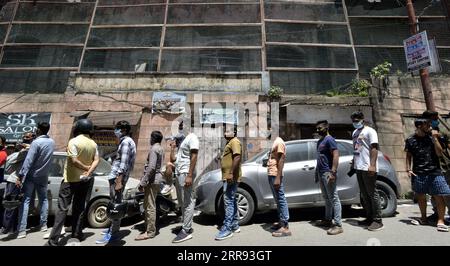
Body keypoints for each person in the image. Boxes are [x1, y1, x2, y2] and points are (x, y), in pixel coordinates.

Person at [46, 119, 99, 246]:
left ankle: (53, 241)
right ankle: (77, 234)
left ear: (78, 128)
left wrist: (86, 169)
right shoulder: (93, 144)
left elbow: (74, 161)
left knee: (62, 209)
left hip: (70, 180)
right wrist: (89, 171)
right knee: (79, 208)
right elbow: (97, 160)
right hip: (85, 181)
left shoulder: (73, 141)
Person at [405, 117, 450, 232]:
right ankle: (423, 218)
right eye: (427, 125)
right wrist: (407, 169)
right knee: (420, 195)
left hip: (435, 171)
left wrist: (435, 139)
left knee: (439, 195)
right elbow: (409, 155)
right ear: (420, 126)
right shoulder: (410, 140)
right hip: (418, 172)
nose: (430, 127)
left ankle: (441, 220)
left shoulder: (433, 137)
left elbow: (439, 153)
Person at [96, 120, 136, 244]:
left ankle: (113, 234)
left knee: (115, 206)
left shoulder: (125, 142)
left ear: (123, 130)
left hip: (118, 177)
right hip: (118, 177)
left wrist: (119, 181)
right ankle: (111, 230)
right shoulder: (127, 141)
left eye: (117, 129)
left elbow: (123, 163)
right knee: (114, 203)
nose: (116, 131)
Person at [16, 122, 55, 239]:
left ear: (38, 130)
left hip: (32, 175)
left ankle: (22, 230)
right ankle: (43, 225)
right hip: (43, 175)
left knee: (26, 200)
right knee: (43, 200)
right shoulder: (52, 142)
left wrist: (21, 175)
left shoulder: (36, 142)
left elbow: (28, 160)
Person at [350, 111, 383, 231]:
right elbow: (357, 148)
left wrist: (372, 165)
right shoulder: (355, 132)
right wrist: (354, 161)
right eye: (353, 120)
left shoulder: (370, 131)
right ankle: (369, 217)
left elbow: (374, 148)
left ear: (363, 119)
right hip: (359, 167)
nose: (355, 122)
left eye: (357, 120)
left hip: (368, 167)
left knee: (372, 193)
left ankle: (378, 220)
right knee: (364, 194)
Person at [171, 119, 199, 243]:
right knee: (182, 201)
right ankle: (185, 225)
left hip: (185, 173)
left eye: (182, 126)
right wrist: (172, 147)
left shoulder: (192, 137)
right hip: (179, 173)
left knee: (188, 201)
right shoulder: (183, 141)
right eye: (180, 126)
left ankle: (186, 230)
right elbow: (173, 159)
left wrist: (189, 175)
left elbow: (194, 156)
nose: (180, 128)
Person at [1, 132, 34, 235]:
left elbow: (10, 160)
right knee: (12, 204)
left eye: (28, 137)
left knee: (11, 205)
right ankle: (9, 228)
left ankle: (8, 228)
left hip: (17, 180)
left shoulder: (28, 150)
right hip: (15, 179)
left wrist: (24, 147)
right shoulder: (22, 151)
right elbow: (9, 161)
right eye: (24, 137)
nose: (25, 139)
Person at [314, 120, 343, 235]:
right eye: (316, 128)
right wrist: (316, 173)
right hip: (321, 173)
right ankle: (327, 220)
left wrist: (333, 172)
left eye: (320, 128)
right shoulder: (320, 141)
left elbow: (336, 155)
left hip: (328, 173)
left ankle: (338, 224)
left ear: (326, 128)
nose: (317, 130)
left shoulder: (330, 139)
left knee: (334, 198)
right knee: (327, 198)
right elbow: (319, 157)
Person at [135, 131, 164, 241]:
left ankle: (150, 231)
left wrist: (143, 182)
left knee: (150, 206)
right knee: (148, 204)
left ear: (153, 138)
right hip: (156, 180)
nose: (149, 139)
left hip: (152, 181)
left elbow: (151, 167)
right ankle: (148, 227)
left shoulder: (153, 149)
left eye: (150, 137)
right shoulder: (160, 148)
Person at [422, 111, 450, 222]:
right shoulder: (423, 134)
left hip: (444, 166)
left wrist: (437, 138)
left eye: (436, 119)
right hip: (430, 166)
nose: (435, 121)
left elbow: (443, 150)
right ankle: (437, 213)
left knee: (446, 192)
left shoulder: (443, 132)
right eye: (432, 119)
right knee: (433, 192)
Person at [215, 125, 242, 241]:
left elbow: (237, 157)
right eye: (224, 131)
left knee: (228, 201)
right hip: (229, 177)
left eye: (228, 131)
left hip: (230, 177)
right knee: (232, 200)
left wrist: (230, 173)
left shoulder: (235, 141)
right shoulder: (230, 142)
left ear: (234, 132)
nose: (225, 133)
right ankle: (235, 224)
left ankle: (228, 228)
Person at [267, 132, 291, 237]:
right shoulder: (274, 142)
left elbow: (281, 159)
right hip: (271, 173)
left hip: (275, 174)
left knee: (281, 199)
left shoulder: (279, 142)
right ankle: (281, 221)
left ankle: (285, 227)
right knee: (277, 199)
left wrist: (278, 177)